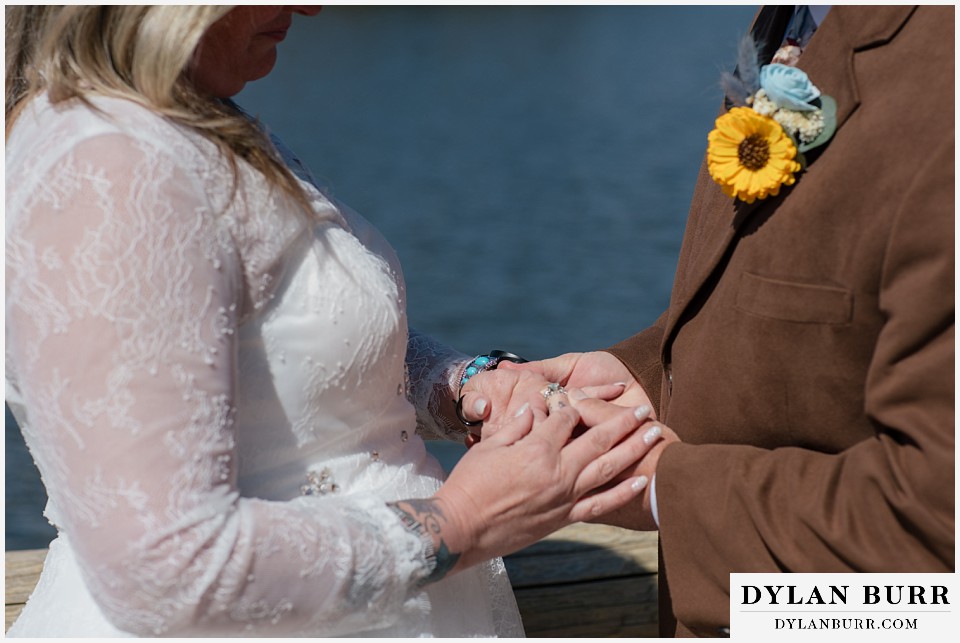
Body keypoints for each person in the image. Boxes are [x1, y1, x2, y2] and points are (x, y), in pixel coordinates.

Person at [4, 6, 662, 637]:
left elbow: (287, 350)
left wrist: (461, 388)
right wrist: (462, 520)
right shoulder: (113, 169)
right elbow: (161, 565)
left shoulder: (189, 119)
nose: (312, 7)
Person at [460, 4, 954, 637]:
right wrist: (646, 379)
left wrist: (663, 487)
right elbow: (832, 299)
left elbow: (937, 562)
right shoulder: (790, 19)